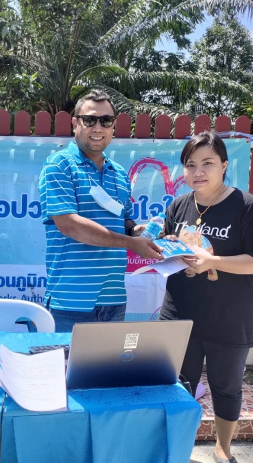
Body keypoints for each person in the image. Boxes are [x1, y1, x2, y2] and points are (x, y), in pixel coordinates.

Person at [159, 132, 253, 463]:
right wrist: (166, 244)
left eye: (207, 163)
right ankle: (178, 451)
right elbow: (171, 246)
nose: (198, 172)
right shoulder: (179, 206)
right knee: (178, 386)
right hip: (180, 314)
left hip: (229, 316)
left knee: (226, 387)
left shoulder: (246, 206)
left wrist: (213, 262)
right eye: (191, 165)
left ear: (224, 166)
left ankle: (223, 449)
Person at [37, 90, 163, 332]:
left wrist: (140, 231)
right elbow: (69, 225)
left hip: (114, 300)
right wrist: (131, 243)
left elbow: (125, 222)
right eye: (89, 120)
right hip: (70, 302)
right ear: (75, 123)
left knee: (110, 360)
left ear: (113, 125)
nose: (98, 127)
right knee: (67, 360)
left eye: (105, 121)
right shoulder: (59, 165)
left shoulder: (119, 173)